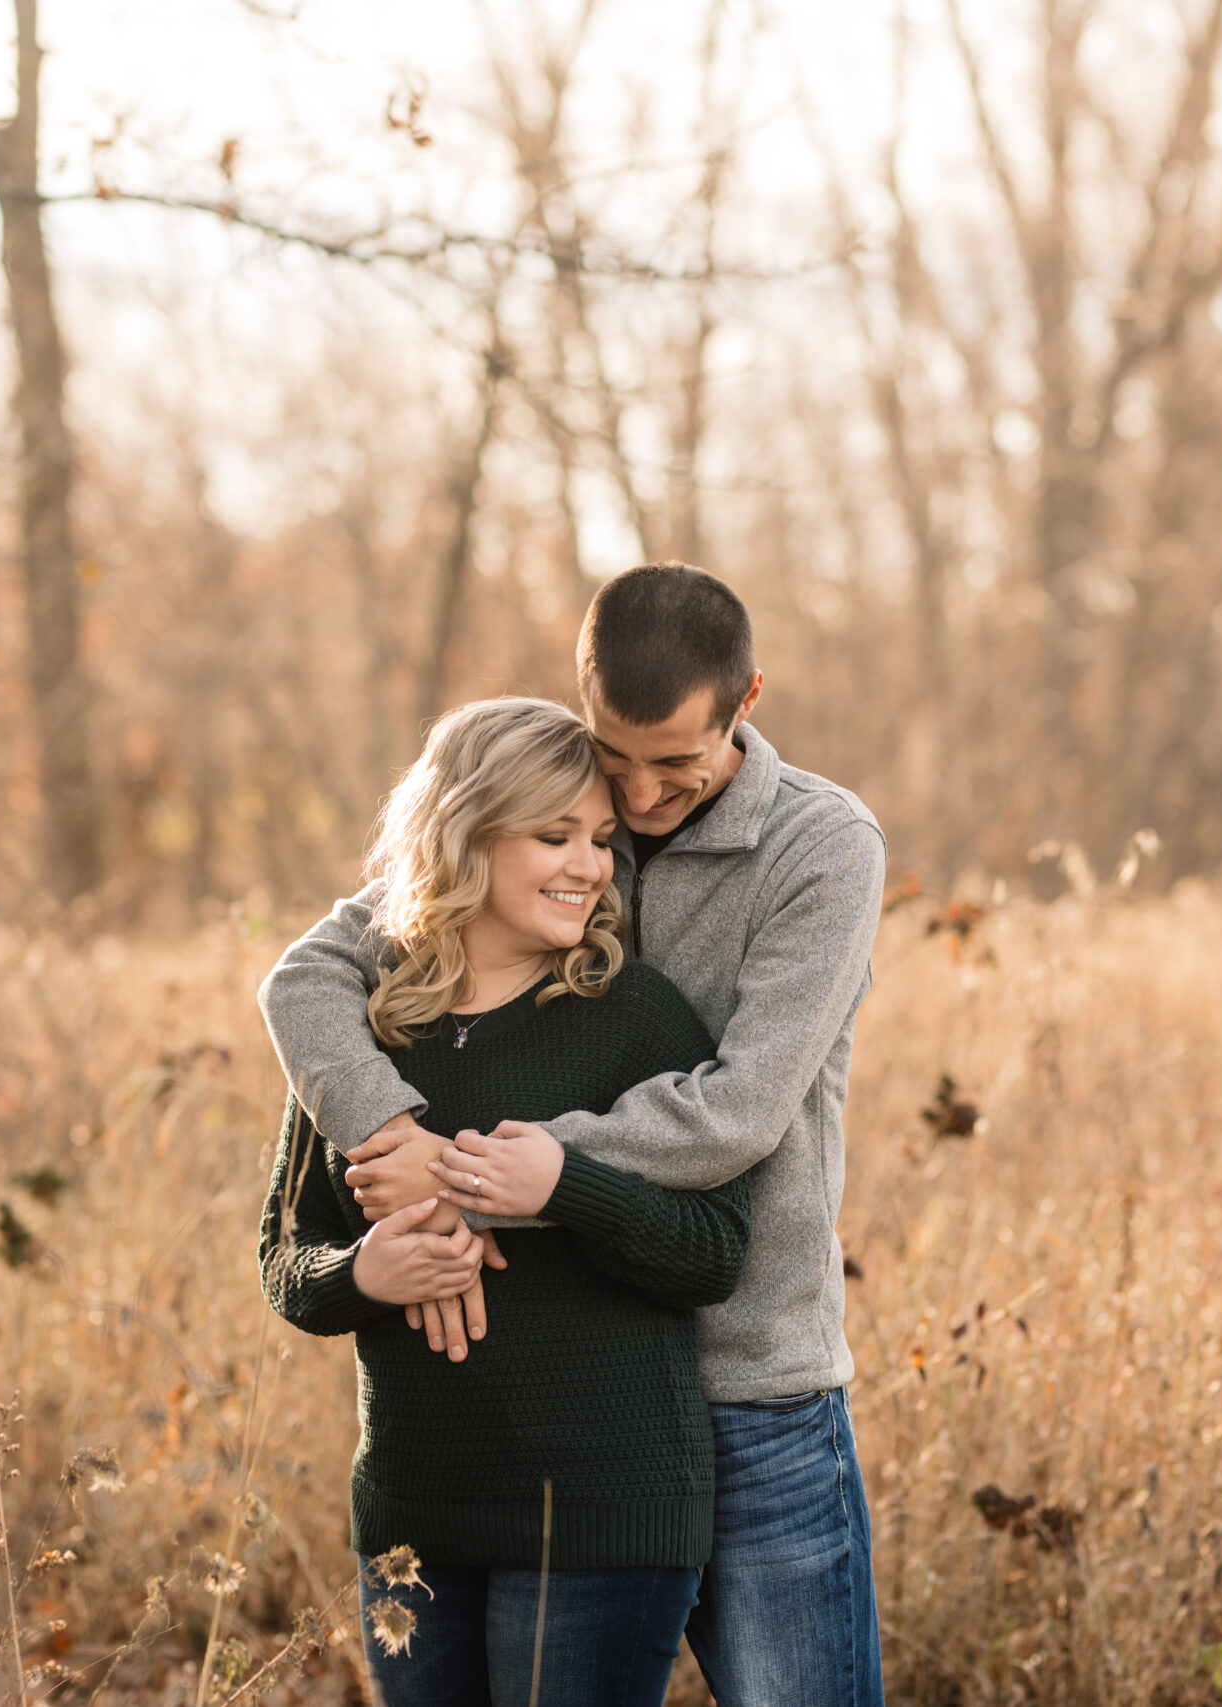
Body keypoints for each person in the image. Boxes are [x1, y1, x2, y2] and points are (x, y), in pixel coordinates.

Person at [260, 563, 889, 1706]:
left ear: (746, 702)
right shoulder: (546, 803)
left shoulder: (820, 848)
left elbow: (741, 1108)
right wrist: (389, 1134)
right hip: (543, 1407)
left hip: (752, 1380)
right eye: (616, 760)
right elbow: (310, 973)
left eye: (674, 767)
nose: (636, 806)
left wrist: (493, 1174)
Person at [257, 695, 753, 1705]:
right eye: (553, 835)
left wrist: (563, 1187)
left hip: (601, 1510)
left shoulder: (632, 1018)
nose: (588, 865)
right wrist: (367, 1272)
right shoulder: (362, 1039)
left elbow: (713, 1251)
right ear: (465, 836)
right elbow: (285, 1260)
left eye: (602, 840)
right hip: (413, 1512)